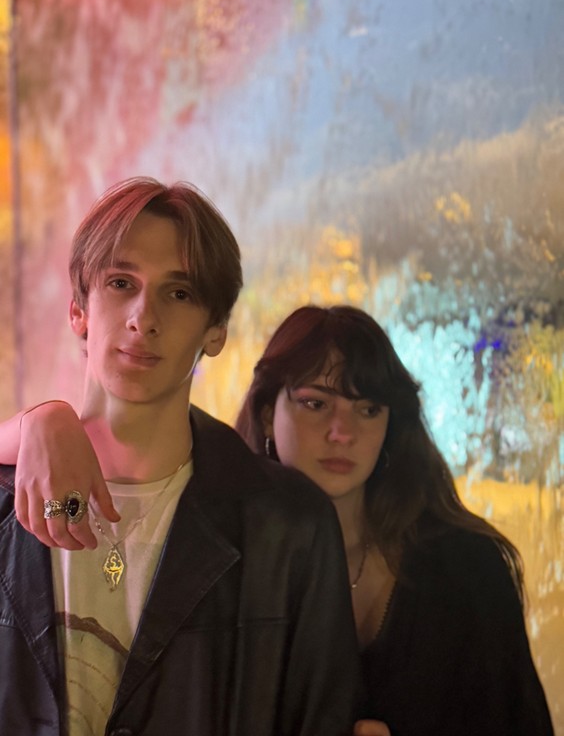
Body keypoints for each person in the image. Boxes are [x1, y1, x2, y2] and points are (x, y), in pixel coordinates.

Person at [1, 300, 554, 735]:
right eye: (316, 403)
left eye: (368, 409)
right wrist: (41, 421)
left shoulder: (466, 571)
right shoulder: (211, 549)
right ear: (269, 412)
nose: (342, 432)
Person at [0, 179, 362, 736]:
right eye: (121, 283)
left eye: (179, 293)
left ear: (215, 331)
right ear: (78, 310)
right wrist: (35, 421)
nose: (143, 318)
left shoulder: (290, 526)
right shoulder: (7, 499)